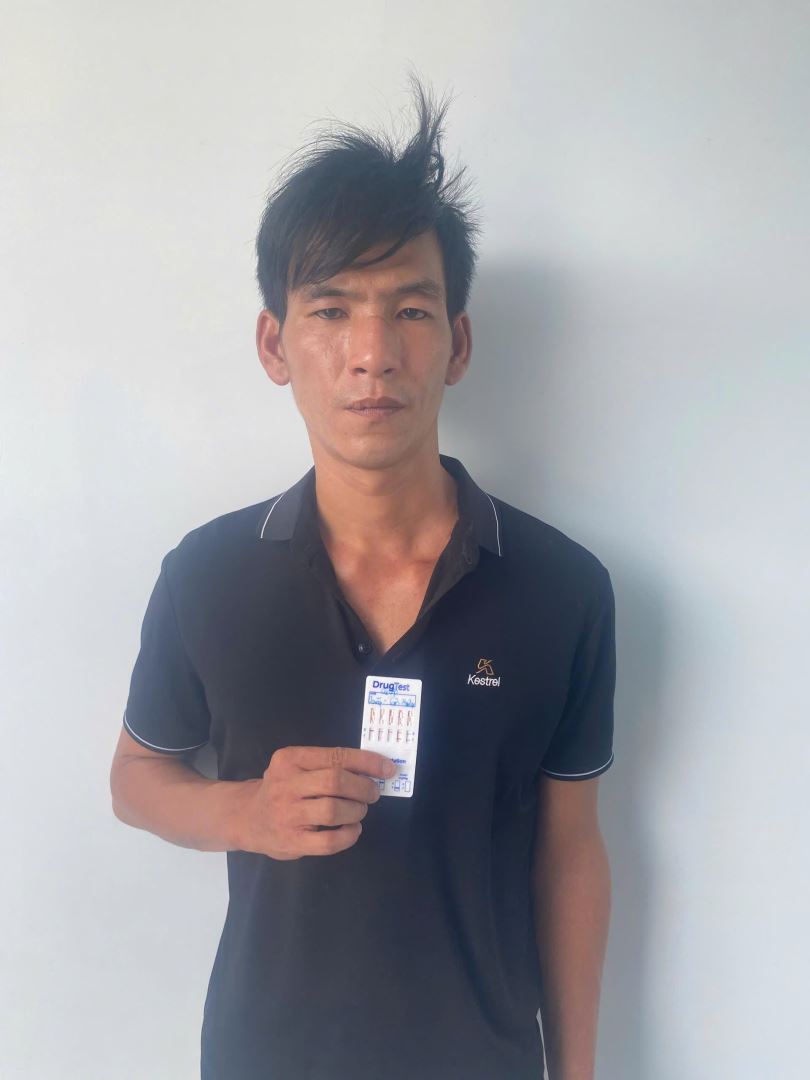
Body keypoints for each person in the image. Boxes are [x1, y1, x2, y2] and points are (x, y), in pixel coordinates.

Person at [110, 74, 616, 1080]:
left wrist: (577, 1072)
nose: (372, 355)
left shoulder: (563, 590)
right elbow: (136, 779)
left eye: (411, 310)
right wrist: (245, 813)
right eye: (332, 309)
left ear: (457, 343)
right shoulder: (206, 574)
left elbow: (570, 852)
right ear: (275, 344)